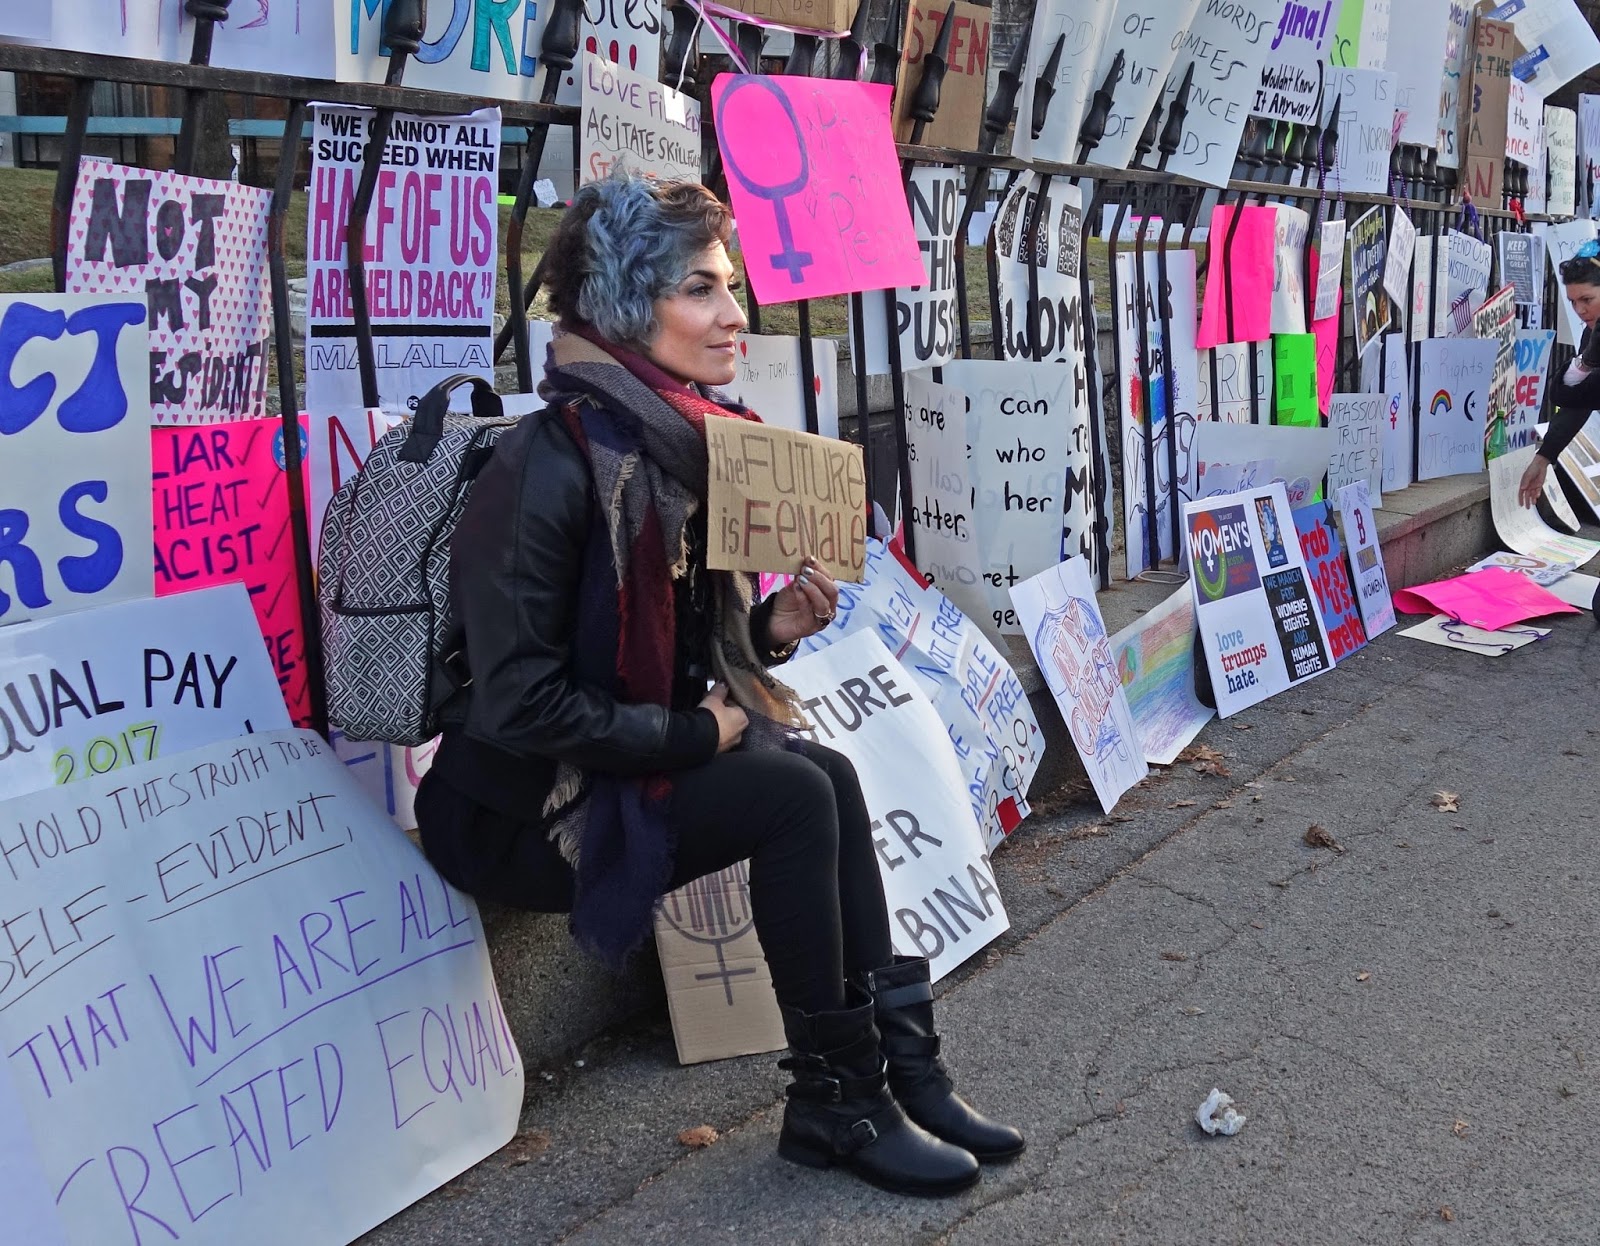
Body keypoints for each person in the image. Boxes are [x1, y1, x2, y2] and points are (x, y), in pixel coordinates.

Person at [414, 172, 1022, 1196]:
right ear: (621, 302)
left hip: (606, 767)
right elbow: (521, 705)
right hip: (520, 810)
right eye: (699, 288)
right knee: (789, 790)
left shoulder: (671, 438)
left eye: (728, 285)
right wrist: (697, 737)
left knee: (819, 770)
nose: (734, 315)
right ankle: (837, 1099)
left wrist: (769, 631)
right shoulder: (547, 467)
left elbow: (681, 652)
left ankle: (900, 1072)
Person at [1516, 242, 1600, 509]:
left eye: (1587, 300)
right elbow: (1579, 399)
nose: (1580, 310)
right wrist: (1544, 457)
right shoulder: (1593, 333)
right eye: (1573, 302)